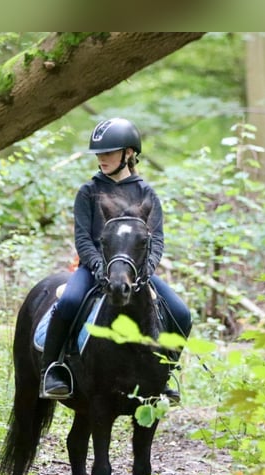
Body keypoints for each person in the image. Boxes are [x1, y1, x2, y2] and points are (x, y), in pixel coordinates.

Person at [41, 117, 191, 401]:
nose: (102, 158)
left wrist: (145, 271)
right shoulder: (89, 192)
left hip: (136, 272)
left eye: (108, 152)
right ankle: (53, 368)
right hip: (95, 269)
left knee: (181, 312)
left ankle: (165, 371)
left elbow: (156, 239)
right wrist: (99, 267)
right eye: (99, 153)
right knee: (69, 303)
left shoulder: (146, 193)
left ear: (129, 153)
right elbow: (83, 238)